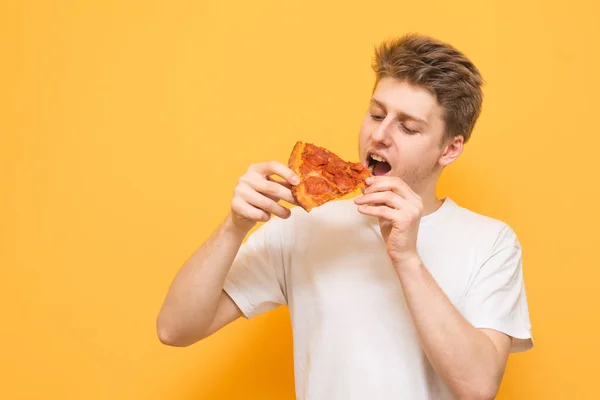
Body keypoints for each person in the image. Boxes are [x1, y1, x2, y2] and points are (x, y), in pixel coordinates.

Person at [156, 33, 533, 400]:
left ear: (449, 149)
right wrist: (234, 227)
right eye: (376, 114)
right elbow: (175, 328)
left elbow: (478, 387)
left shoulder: (491, 242)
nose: (380, 135)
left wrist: (407, 259)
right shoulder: (305, 223)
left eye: (407, 126)